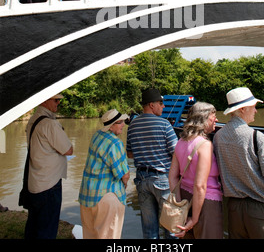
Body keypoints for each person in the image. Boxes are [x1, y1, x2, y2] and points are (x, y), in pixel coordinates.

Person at [213, 87, 264, 239]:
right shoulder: (256, 137)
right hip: (262, 211)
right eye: (253, 107)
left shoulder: (218, 137)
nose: (256, 111)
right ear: (242, 109)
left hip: (234, 211)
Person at [126, 88, 178, 239]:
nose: (163, 106)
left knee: (149, 230)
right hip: (162, 179)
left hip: (141, 180)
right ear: (151, 105)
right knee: (171, 228)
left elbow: (130, 154)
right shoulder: (165, 125)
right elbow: (176, 153)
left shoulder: (132, 126)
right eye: (161, 103)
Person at [169, 102, 223, 239]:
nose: (216, 119)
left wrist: (180, 207)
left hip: (185, 199)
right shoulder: (204, 145)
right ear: (203, 119)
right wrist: (194, 218)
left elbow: (173, 177)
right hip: (206, 204)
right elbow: (200, 186)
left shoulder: (180, 142)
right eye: (213, 116)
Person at [24, 94, 73, 239]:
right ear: (45, 100)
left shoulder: (33, 120)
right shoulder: (50, 124)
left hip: (35, 181)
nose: (58, 103)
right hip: (49, 184)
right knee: (48, 228)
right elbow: (68, 150)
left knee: (34, 224)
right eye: (56, 100)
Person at [79, 109, 130, 239]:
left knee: (90, 235)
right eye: (120, 122)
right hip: (107, 197)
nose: (123, 124)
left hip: (87, 195)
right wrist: (125, 184)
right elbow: (124, 174)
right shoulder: (115, 142)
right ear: (111, 126)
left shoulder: (96, 135)